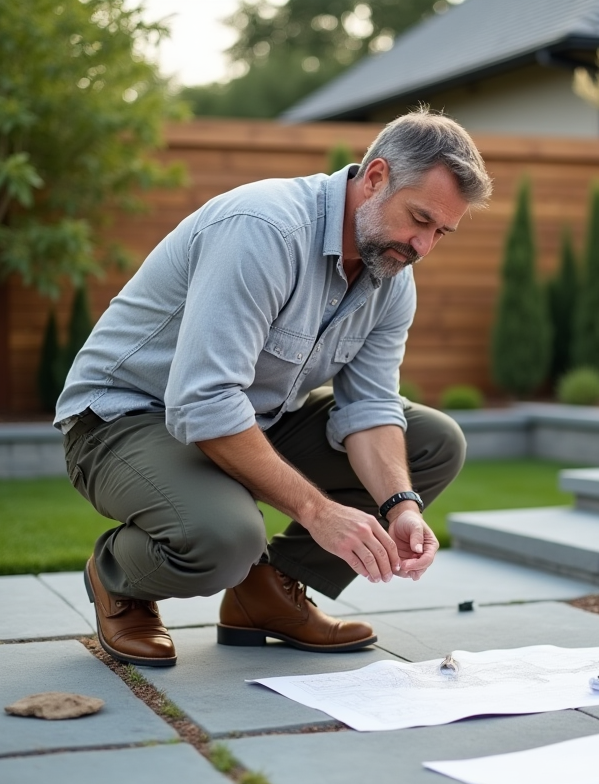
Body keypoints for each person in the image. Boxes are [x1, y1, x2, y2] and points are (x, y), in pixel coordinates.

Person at [56, 109, 492, 667]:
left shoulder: (390, 274)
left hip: (255, 416)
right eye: (420, 219)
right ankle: (120, 578)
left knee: (433, 443)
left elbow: (371, 406)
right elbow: (204, 400)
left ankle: (265, 596)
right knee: (224, 540)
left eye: (441, 233)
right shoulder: (264, 229)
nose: (423, 247)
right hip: (126, 419)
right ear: (376, 176)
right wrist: (318, 511)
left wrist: (400, 505)